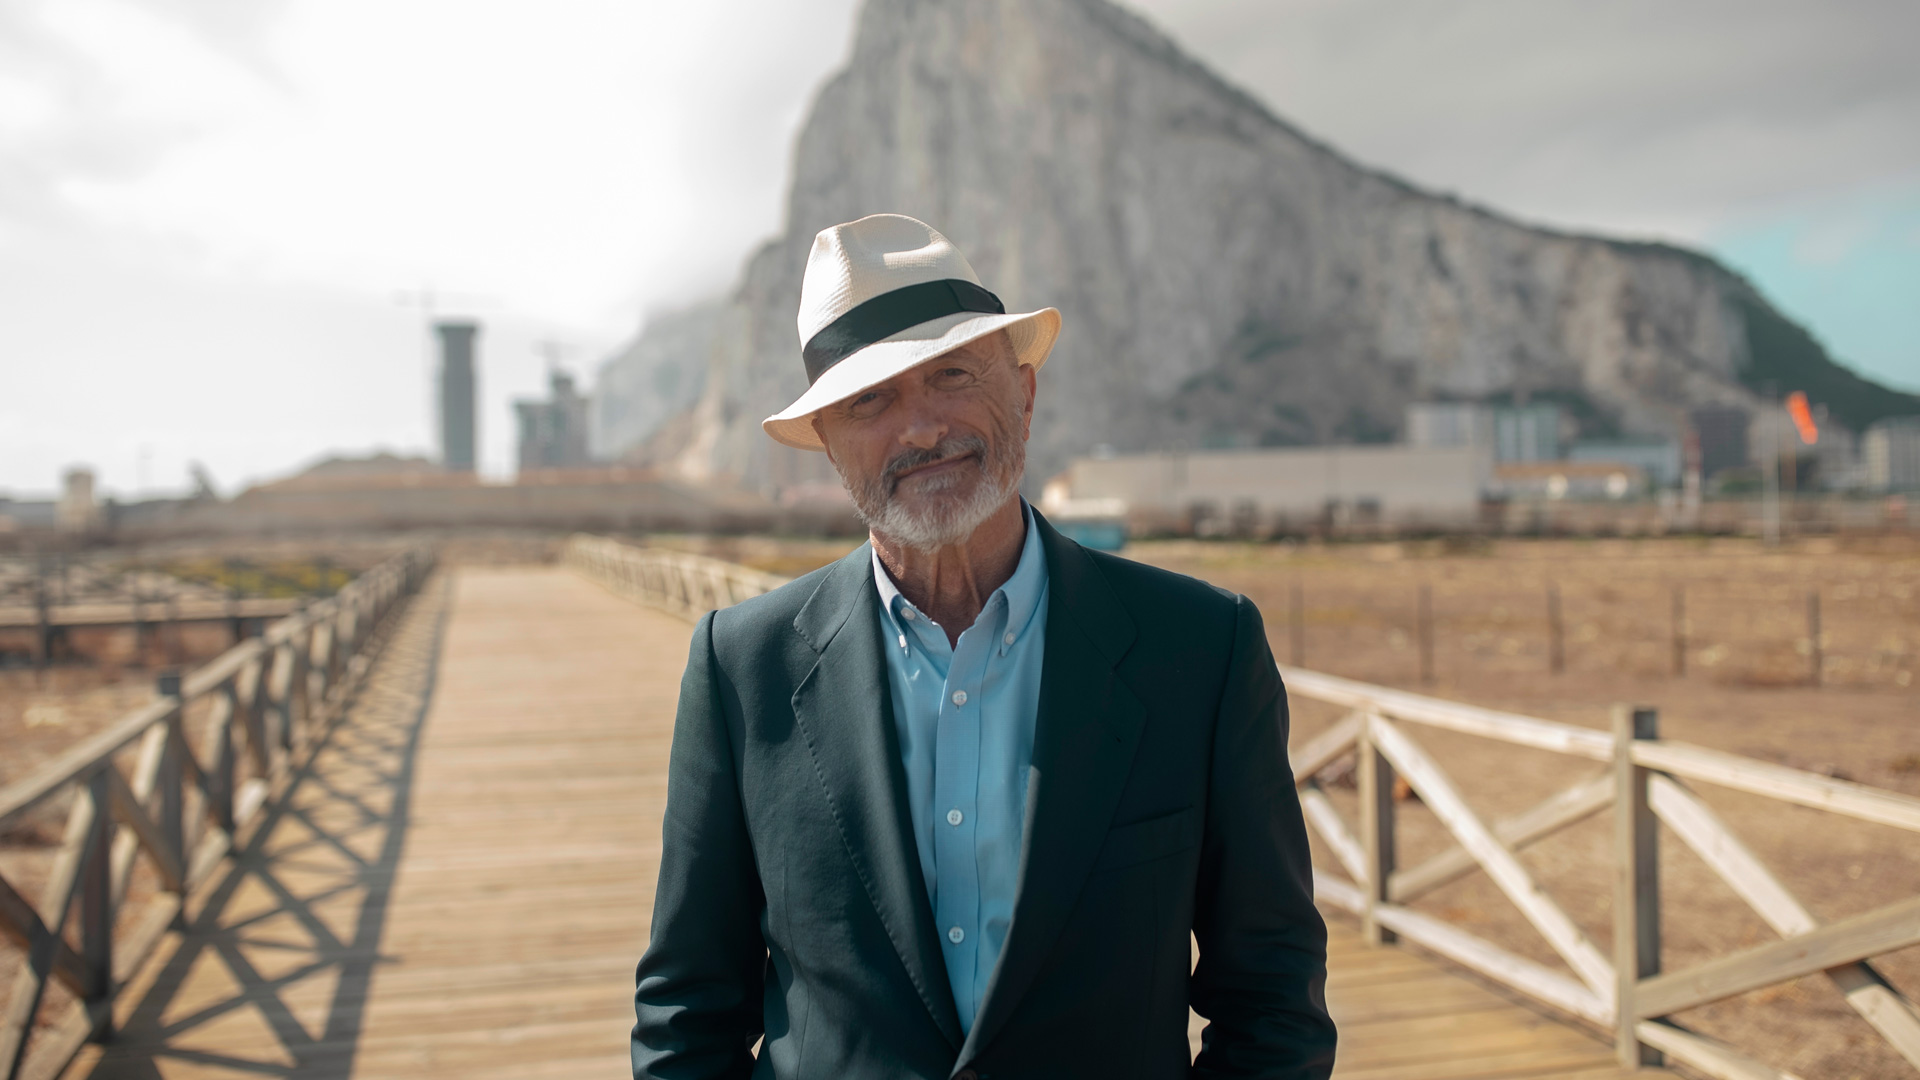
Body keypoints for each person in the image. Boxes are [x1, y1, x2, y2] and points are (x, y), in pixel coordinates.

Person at [632, 214, 1335, 1079]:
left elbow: (1272, 998)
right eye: (869, 400)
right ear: (828, 445)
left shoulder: (1200, 649)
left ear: (1025, 395)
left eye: (952, 375)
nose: (921, 429)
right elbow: (688, 1012)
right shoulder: (742, 668)